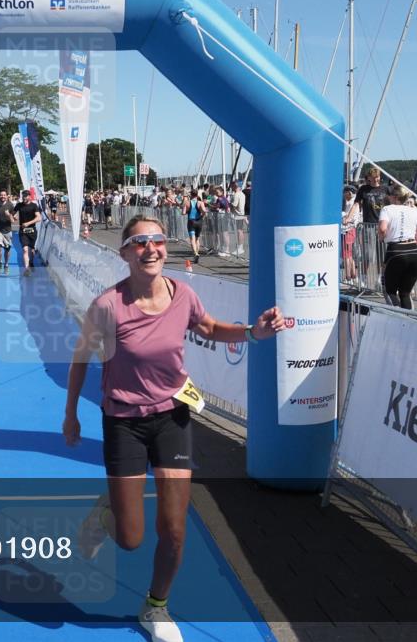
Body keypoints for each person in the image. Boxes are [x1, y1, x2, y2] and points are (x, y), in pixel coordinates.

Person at [62, 215, 284, 642]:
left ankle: (156, 607)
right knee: (129, 538)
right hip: (123, 422)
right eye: (140, 242)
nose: (151, 249)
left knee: (175, 529)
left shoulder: (183, 295)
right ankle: (103, 514)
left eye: (158, 240)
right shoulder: (108, 305)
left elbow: (210, 327)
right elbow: (80, 359)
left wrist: (254, 333)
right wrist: (71, 413)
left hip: (172, 417)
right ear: (125, 253)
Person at [378, 185, 417, 310]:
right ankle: (411, 320)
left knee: (390, 291)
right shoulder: (414, 210)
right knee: (405, 292)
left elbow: (382, 229)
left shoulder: (387, 209)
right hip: (415, 252)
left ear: (394, 196)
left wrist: (381, 237)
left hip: (396, 251)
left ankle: (398, 317)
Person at [14, 190, 42, 277]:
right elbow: (13, 214)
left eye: (26, 196)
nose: (24, 197)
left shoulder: (34, 206)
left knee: (32, 250)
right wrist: (13, 217)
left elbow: (39, 218)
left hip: (32, 230)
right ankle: (27, 269)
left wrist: (28, 223)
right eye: (23, 196)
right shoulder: (19, 205)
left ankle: (31, 262)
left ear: (30, 196)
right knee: (25, 249)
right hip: (23, 231)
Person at [0, 190, 15, 274]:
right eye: (1, 195)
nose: (3, 196)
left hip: (7, 230)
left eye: (4, 195)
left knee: (7, 249)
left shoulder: (10, 205)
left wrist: (8, 215)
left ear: (7, 196)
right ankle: (0, 261)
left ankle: (6, 264)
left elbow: (13, 220)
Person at [341, 185, 361, 281]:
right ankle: (353, 275)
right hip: (349, 229)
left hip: (348, 229)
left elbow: (350, 217)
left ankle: (348, 276)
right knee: (348, 254)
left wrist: (345, 218)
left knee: (346, 254)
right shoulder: (350, 202)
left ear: (349, 192)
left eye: (344, 192)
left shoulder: (352, 203)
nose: (343, 195)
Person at [181, 189, 206, 264]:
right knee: (197, 239)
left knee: (192, 239)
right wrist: (202, 215)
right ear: (197, 194)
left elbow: (183, 213)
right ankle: (197, 253)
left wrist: (188, 211)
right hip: (199, 221)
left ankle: (195, 254)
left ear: (191, 195)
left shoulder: (187, 203)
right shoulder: (200, 203)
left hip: (191, 222)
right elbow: (204, 211)